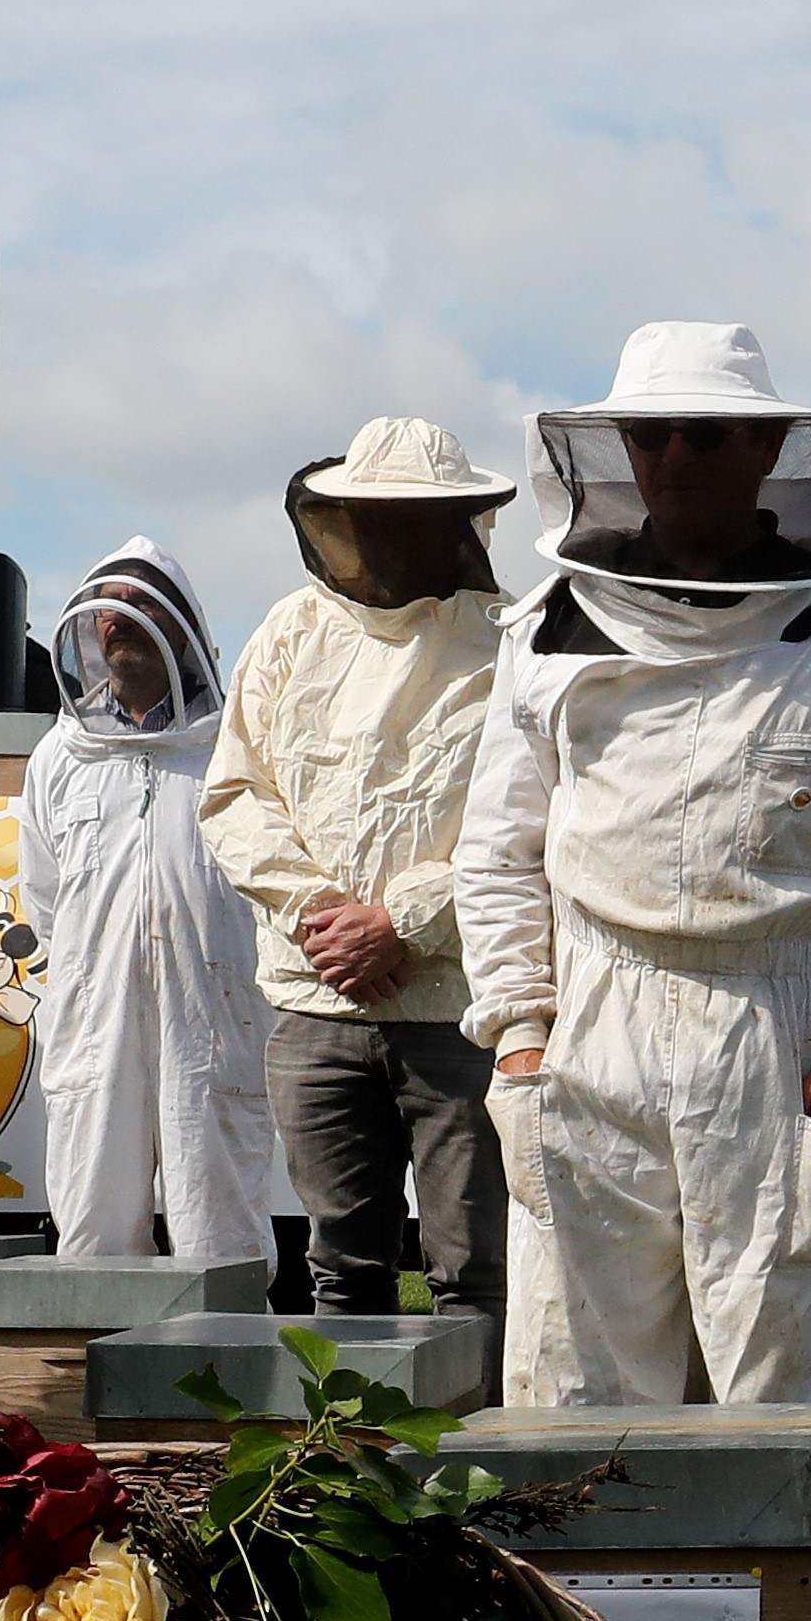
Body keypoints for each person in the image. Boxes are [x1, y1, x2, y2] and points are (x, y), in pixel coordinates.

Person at [457, 324, 811, 1408]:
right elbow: (497, 849)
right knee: (578, 1376)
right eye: (654, 435)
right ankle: (581, 1587)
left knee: (785, 1383)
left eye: (708, 437)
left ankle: (787, 1585)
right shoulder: (543, 630)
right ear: (621, 451)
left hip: (779, 1027)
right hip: (591, 1018)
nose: (676, 458)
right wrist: (523, 1032)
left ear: (765, 453)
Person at [205, 417, 513, 1329]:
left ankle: (482, 1471)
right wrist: (324, 915)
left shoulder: (515, 642)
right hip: (316, 1003)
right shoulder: (291, 632)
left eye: (417, 518)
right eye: (374, 515)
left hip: (459, 1007)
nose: (392, 536)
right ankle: (342, 1467)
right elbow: (235, 795)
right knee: (341, 1266)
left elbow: (531, 823)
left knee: (475, 1269)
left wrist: (405, 924)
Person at [19, 543, 277, 1263]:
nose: (118, 620)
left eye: (142, 601)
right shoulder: (60, 757)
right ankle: (87, 1380)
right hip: (95, 1024)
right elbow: (46, 903)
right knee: (94, 1237)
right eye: (108, 606)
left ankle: (228, 1379)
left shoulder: (235, 750)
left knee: (219, 1236)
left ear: (184, 621)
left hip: (213, 1021)